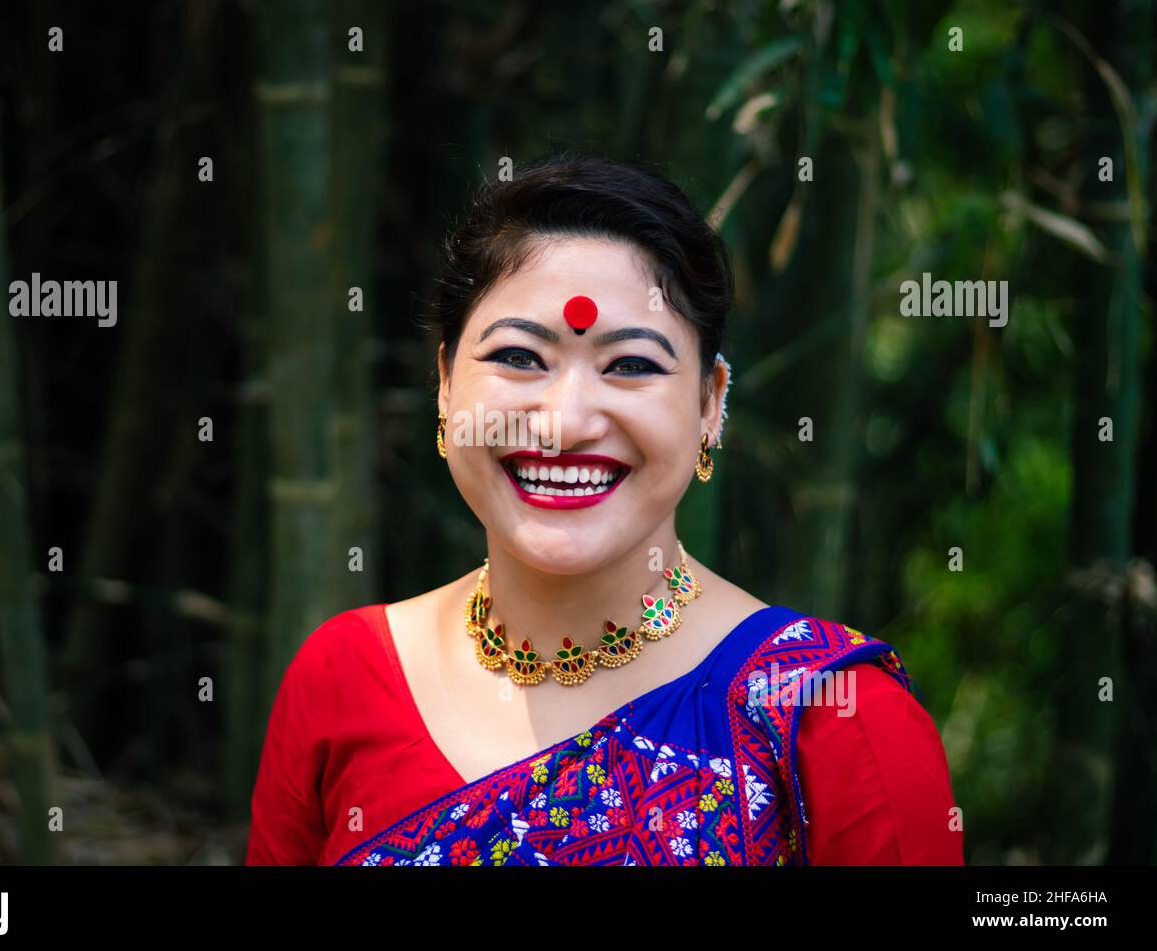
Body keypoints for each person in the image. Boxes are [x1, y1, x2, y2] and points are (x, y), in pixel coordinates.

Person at [246, 154, 963, 866]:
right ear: (444, 382)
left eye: (632, 366)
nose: (564, 423)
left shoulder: (833, 717)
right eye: (521, 357)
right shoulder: (344, 676)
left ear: (711, 405)